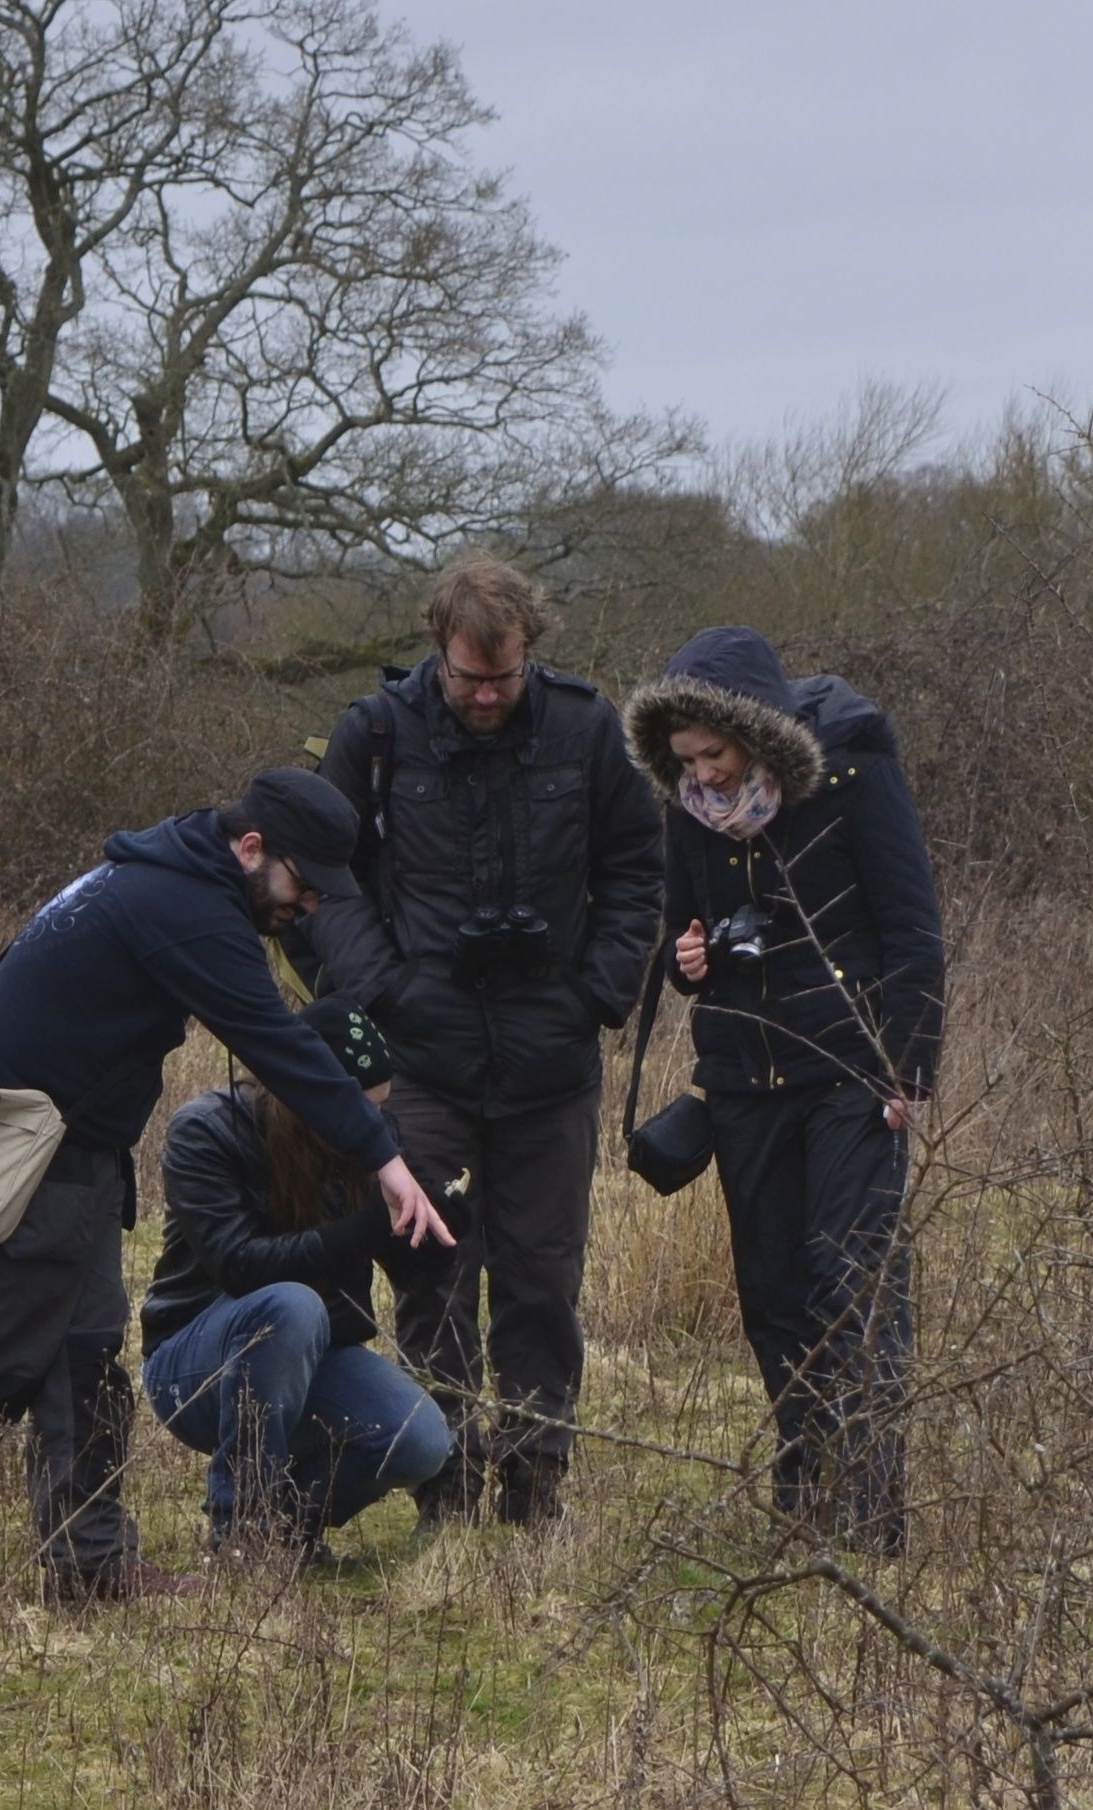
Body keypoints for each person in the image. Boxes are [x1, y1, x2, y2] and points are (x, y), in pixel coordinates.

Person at [0, 768, 453, 1603]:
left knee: (84, 1356)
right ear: (252, 848)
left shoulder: (165, 872)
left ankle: (89, 1563)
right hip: (29, 1155)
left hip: (70, 1152)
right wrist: (385, 1158)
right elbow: (278, 1043)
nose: (308, 908)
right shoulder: (185, 908)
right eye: (304, 886)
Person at [302, 558, 664, 1527]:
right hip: (424, 1060)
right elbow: (323, 882)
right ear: (439, 650)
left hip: (552, 1061)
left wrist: (595, 992)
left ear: (530, 651)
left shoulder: (587, 729)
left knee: (543, 1282)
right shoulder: (377, 734)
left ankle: (537, 1485)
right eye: (470, 678)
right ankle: (447, 1484)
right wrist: (387, 990)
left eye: (504, 677)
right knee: (432, 1275)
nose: (489, 696)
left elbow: (639, 868)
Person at [623, 627, 945, 1553]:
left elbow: (913, 926)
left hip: (852, 1070)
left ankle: (869, 1513)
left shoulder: (854, 768)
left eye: (714, 755)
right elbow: (686, 935)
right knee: (772, 1292)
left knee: (854, 1284)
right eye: (685, 760)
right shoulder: (687, 806)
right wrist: (688, 958)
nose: (703, 776)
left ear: (754, 730)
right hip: (743, 1075)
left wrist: (908, 1070)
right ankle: (807, 1489)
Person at [140, 994, 455, 1567]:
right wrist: (363, 1227)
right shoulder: (206, 1131)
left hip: (316, 1356)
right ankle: (242, 1531)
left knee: (421, 1441)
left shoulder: (371, 1142)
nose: (372, 1125)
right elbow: (239, 1265)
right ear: (312, 1093)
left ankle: (287, 1530)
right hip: (194, 1363)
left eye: (380, 1110)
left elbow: (410, 1277)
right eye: (361, 1109)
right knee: (292, 1306)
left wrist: (435, 1234)